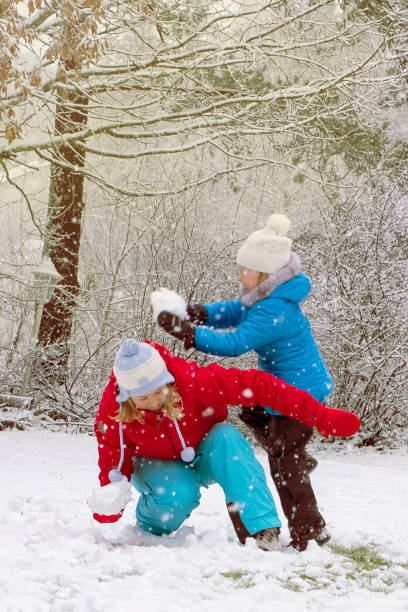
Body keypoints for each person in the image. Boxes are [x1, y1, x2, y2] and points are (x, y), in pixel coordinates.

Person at [157, 213, 338, 551]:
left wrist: (189, 333)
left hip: (300, 396)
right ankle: (295, 452)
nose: (239, 275)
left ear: (265, 274)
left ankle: (311, 532)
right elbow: (235, 311)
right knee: (256, 417)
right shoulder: (268, 299)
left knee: (285, 469)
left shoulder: (274, 311)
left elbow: (236, 342)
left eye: (245, 269)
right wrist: (202, 313)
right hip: (284, 391)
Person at [91, 338, 360, 552]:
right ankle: (152, 525)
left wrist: (320, 416)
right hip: (156, 464)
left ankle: (261, 530)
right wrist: (111, 503)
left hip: (205, 452)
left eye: (157, 392)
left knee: (228, 438)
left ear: (167, 381)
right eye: (142, 398)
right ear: (126, 397)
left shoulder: (194, 382)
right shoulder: (112, 412)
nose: (152, 401)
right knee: (177, 494)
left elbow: (260, 386)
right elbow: (113, 458)